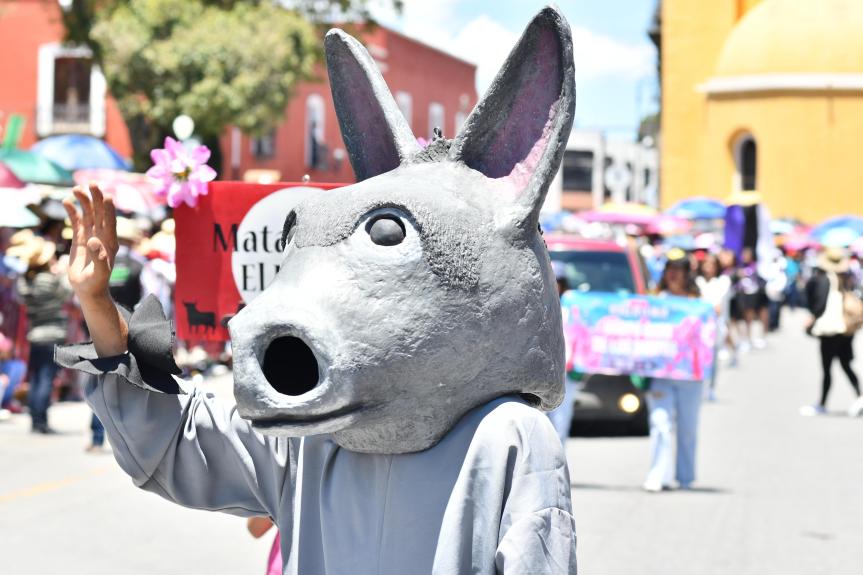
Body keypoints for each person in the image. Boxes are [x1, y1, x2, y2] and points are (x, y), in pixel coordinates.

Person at [643, 254, 704, 492]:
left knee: (688, 428)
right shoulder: (655, 300)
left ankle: (686, 477)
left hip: (690, 375)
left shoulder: (699, 302)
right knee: (660, 424)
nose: (673, 273)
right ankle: (658, 475)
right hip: (661, 374)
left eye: (679, 268)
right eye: (670, 268)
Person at [8, 231, 72, 433]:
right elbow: (66, 293)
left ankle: (35, 417)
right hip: (52, 333)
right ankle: (41, 420)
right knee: (46, 378)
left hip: (34, 333)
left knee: (36, 377)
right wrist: (62, 273)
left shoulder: (25, 281)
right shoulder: (47, 279)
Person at [802, 248, 863, 417]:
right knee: (845, 365)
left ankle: (822, 403)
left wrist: (812, 318)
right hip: (845, 329)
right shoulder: (844, 278)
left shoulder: (825, 280)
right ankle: (859, 396)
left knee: (827, 368)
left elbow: (819, 305)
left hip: (830, 330)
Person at [696, 252, 733, 401]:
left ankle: (710, 388)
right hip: (698, 328)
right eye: (706, 264)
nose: (709, 267)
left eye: (712, 264)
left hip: (715, 327)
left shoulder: (723, 281)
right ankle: (700, 387)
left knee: (712, 361)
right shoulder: (697, 281)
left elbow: (718, 307)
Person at [547, 260, 577, 444]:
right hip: (540, 374)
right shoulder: (534, 305)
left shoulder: (573, 309)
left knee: (560, 426)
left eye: (557, 280)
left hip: (566, 374)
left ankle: (557, 470)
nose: (553, 283)